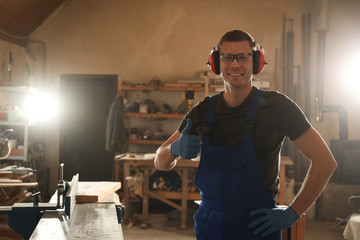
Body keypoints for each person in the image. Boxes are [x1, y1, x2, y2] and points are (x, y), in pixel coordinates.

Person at [154, 30, 337, 239]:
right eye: (227, 57)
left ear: (256, 62)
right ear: (216, 63)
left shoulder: (277, 106)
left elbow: (325, 162)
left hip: (258, 227)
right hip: (210, 227)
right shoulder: (201, 112)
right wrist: (174, 149)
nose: (235, 64)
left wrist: (293, 213)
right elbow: (160, 161)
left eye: (243, 57)